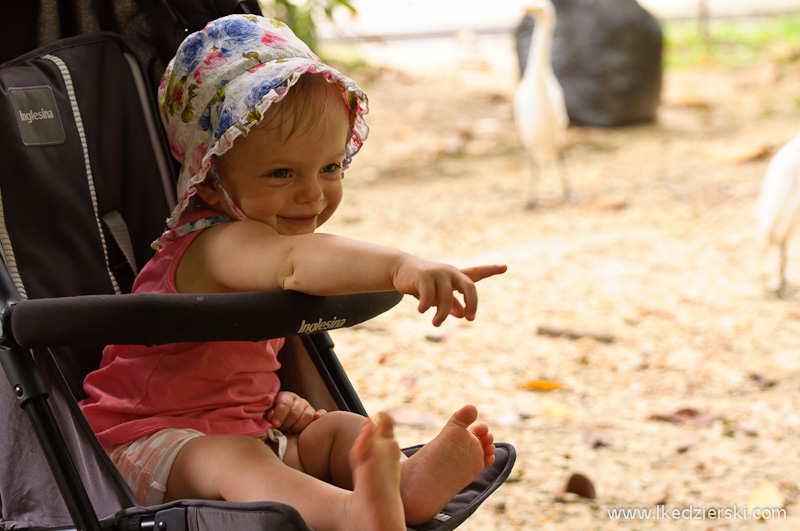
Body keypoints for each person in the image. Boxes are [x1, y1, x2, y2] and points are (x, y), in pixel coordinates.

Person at [79, 14, 507, 531]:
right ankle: (351, 513)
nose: (312, 193)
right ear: (211, 181)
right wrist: (402, 267)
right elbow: (297, 264)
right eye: (282, 173)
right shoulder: (217, 243)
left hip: (248, 431)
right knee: (237, 460)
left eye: (329, 168)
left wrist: (275, 402)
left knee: (334, 432)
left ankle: (404, 487)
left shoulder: (257, 235)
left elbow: (217, 375)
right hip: (145, 443)